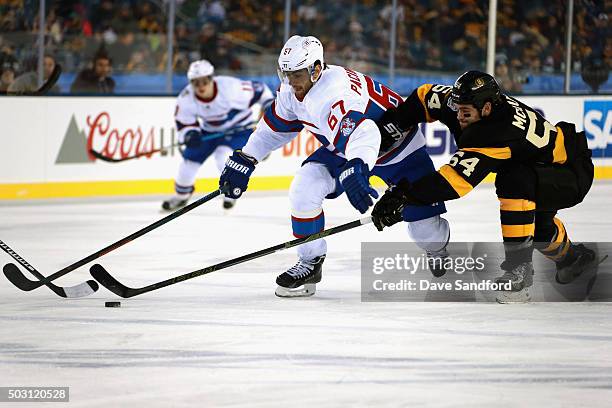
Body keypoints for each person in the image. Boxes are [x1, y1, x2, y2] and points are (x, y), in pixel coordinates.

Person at [218, 35, 451, 298]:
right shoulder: (292, 90)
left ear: (316, 70)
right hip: (347, 147)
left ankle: (438, 248)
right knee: (305, 187)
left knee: (426, 232)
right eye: (285, 74)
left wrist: (357, 165)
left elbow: (366, 133)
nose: (291, 82)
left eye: (297, 75)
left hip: (401, 151)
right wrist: (246, 158)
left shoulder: (333, 94)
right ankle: (310, 262)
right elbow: (274, 128)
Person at [372, 70, 597, 303]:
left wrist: (404, 196)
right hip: (544, 166)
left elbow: (453, 183)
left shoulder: (496, 133)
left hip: (569, 175)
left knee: (514, 179)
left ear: (487, 108)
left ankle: (519, 270)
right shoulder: (468, 104)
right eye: (457, 108)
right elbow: (425, 96)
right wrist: (396, 123)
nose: (458, 116)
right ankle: (573, 259)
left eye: (465, 112)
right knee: (538, 228)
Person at [162, 59, 274, 211]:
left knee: (223, 157)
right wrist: (189, 134)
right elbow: (183, 123)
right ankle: (181, 196)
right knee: (188, 162)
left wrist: (268, 104)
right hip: (209, 131)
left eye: (204, 81)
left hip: (239, 129)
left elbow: (260, 90)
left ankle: (230, 194)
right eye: (196, 82)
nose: (201, 86)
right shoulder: (186, 98)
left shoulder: (231, 88)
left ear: (211, 78)